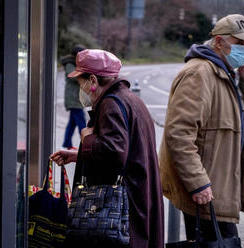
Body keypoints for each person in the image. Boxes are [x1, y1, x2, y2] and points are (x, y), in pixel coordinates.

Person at [159, 14, 244, 243]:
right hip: (207, 191)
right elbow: (178, 133)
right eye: (240, 43)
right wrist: (198, 183)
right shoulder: (200, 74)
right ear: (219, 42)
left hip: (219, 189)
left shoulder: (223, 72)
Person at [50, 49, 164, 248]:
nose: (81, 90)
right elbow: (126, 150)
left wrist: (88, 138)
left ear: (92, 81)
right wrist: (80, 155)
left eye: (80, 83)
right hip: (138, 197)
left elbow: (114, 152)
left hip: (123, 208)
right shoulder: (129, 99)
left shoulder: (110, 104)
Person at [61, 45, 86, 150]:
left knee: (72, 123)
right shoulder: (70, 64)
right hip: (73, 99)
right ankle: (86, 144)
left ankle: (67, 143)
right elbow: (73, 76)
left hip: (76, 98)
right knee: (82, 122)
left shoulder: (74, 64)